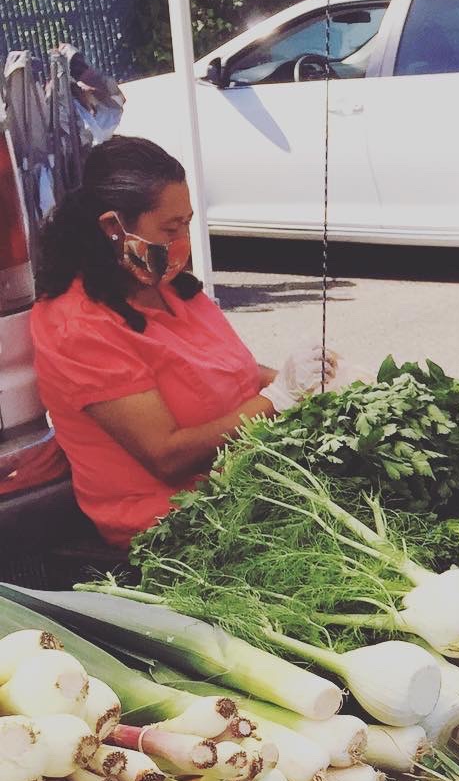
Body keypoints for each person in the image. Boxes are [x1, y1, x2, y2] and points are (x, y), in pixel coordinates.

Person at [31, 135, 332, 547]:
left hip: (247, 483)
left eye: (187, 222)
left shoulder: (169, 288)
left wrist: (303, 380)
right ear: (111, 227)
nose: (182, 242)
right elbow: (167, 457)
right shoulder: (78, 327)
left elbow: (224, 370)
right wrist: (278, 399)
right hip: (176, 525)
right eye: (170, 228)